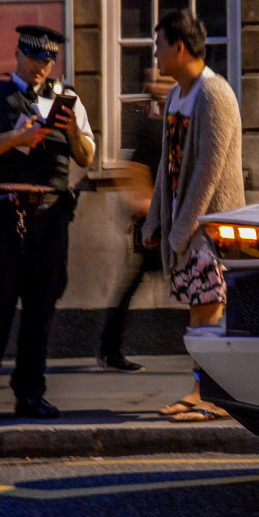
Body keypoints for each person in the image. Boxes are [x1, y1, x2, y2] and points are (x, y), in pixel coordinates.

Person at [0, 25, 95, 425]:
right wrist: (12, 138)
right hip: (6, 217)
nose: (40, 67)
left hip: (50, 217)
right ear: (18, 54)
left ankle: (30, 394)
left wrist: (70, 132)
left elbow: (86, 156)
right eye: (34, 58)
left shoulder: (67, 100)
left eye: (47, 60)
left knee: (40, 312)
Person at [141, 10, 245, 423]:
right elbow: (170, 165)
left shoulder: (214, 94)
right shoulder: (176, 95)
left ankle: (215, 396)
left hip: (212, 227)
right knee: (199, 310)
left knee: (208, 309)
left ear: (179, 48)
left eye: (159, 47)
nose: (156, 56)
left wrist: (180, 231)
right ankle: (204, 389)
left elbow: (208, 171)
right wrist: (155, 222)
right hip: (188, 227)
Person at [95, 69, 169, 373]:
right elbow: (135, 169)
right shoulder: (152, 127)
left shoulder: (171, 125)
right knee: (134, 284)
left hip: (169, 216)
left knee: (139, 284)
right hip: (157, 219)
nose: (162, 85)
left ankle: (109, 349)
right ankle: (109, 350)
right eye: (158, 81)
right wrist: (144, 204)